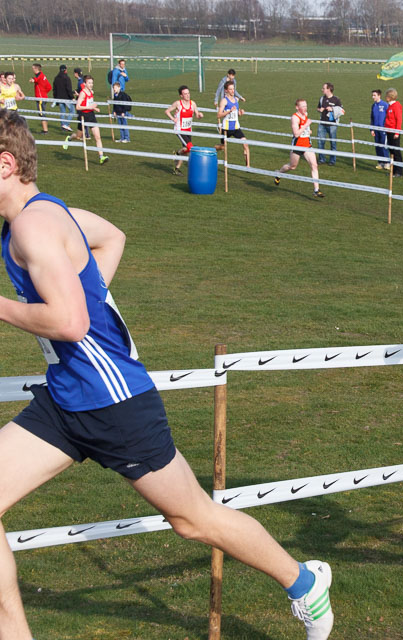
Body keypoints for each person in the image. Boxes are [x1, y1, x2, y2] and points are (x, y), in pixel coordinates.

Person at [0, 110, 334, 640]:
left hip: (115, 402)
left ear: (5, 163)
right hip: (66, 399)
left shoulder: (33, 225)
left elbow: (69, 322)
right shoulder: (43, 215)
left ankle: (305, 583)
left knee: (192, 519)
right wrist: (90, 296)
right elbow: (112, 238)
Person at [274, 98, 324, 198]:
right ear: (297, 107)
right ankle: (279, 173)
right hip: (297, 145)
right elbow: (296, 134)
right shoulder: (295, 117)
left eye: (306, 106)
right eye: (303, 106)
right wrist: (306, 125)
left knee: (314, 165)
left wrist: (309, 131)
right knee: (292, 166)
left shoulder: (305, 115)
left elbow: (305, 130)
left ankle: (316, 190)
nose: (305, 108)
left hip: (307, 145)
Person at [63, 75, 108, 165]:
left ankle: (101, 157)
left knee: (97, 137)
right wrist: (90, 107)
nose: (91, 84)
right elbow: (78, 107)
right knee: (78, 136)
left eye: (92, 83)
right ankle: (69, 138)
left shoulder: (91, 92)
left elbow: (89, 103)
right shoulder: (83, 93)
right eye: (89, 83)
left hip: (91, 115)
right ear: (85, 84)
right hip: (83, 116)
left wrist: (94, 108)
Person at [165, 85, 203, 176]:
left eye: (188, 93)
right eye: (185, 94)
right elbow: (167, 111)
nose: (187, 95)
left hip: (188, 130)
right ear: (181, 96)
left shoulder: (193, 104)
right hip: (180, 130)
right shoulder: (178, 104)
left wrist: (200, 115)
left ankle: (177, 167)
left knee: (186, 150)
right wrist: (173, 119)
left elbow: (197, 115)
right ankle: (181, 157)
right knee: (190, 147)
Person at [218, 80, 250, 168]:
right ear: (226, 90)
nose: (232, 91)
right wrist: (228, 111)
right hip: (226, 129)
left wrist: (240, 113)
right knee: (222, 147)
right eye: (230, 89)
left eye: (233, 89)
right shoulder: (224, 101)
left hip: (236, 127)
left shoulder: (236, 100)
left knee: (245, 143)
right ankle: (214, 150)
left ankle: (248, 166)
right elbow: (219, 115)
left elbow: (236, 114)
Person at [316, 82, 343, 166]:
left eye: (323, 88)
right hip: (322, 124)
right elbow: (318, 108)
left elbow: (342, 111)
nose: (322, 90)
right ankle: (321, 159)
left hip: (332, 125)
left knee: (333, 143)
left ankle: (332, 160)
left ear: (328, 89)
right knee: (320, 142)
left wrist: (332, 109)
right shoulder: (322, 98)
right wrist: (319, 110)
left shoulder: (336, 100)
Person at [383, 88, 403, 177]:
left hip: (394, 132)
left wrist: (397, 132)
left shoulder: (396, 106)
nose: (385, 97)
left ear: (390, 97)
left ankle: (399, 171)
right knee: (392, 151)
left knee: (396, 152)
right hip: (389, 131)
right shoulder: (390, 106)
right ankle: (394, 171)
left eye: (387, 96)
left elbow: (399, 120)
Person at [369, 89, 390, 169]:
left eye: (374, 95)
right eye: (372, 95)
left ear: (379, 96)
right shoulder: (373, 106)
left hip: (383, 129)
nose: (373, 97)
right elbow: (372, 118)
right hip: (375, 129)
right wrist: (372, 129)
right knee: (377, 146)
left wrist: (387, 128)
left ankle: (387, 163)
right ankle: (380, 163)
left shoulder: (385, 105)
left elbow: (388, 117)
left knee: (384, 146)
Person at [29, 64, 51, 134]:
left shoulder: (39, 76)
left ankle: (45, 130)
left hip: (40, 98)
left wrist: (32, 80)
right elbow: (49, 87)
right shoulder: (43, 75)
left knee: (41, 113)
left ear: (36, 69)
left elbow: (36, 79)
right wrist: (44, 93)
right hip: (43, 97)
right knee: (43, 112)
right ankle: (45, 129)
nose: (32, 70)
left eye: (33, 68)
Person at [52, 65, 74, 133]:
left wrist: (55, 98)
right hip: (66, 98)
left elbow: (54, 89)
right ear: (65, 70)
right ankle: (66, 124)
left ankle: (63, 126)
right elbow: (69, 89)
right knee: (72, 111)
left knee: (62, 112)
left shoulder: (56, 78)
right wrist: (72, 97)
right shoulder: (67, 78)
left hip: (59, 98)